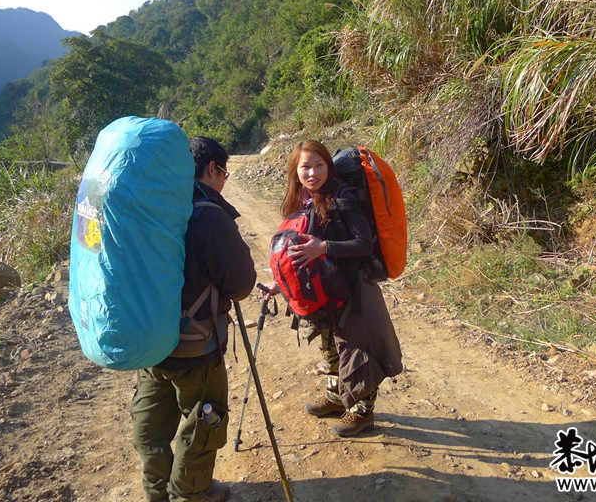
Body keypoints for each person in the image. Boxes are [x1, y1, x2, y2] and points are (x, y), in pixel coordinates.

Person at [131, 136, 257, 502]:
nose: (224, 180)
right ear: (212, 169)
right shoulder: (209, 216)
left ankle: (157, 493)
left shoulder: (149, 208)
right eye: (225, 173)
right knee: (200, 424)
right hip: (196, 348)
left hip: (149, 343)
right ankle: (191, 495)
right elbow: (241, 284)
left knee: (152, 425)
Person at [265, 140, 402, 438]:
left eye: (319, 165)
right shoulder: (302, 200)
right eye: (305, 166)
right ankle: (336, 396)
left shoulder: (343, 198)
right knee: (330, 347)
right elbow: (301, 249)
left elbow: (363, 244)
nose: (312, 172)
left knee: (357, 351)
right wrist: (281, 285)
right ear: (295, 171)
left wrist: (324, 248)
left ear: (328, 166)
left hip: (354, 286)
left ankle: (362, 412)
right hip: (326, 288)